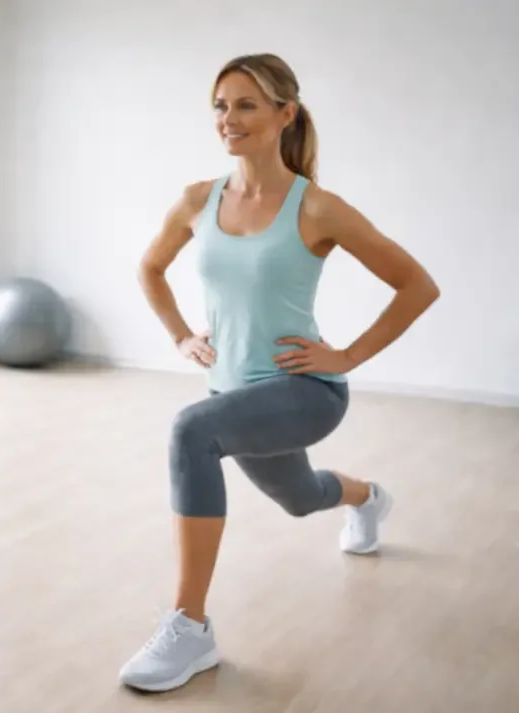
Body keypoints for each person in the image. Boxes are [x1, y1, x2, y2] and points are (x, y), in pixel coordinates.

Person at [120, 53, 440, 693]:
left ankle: (190, 627)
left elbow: (417, 285)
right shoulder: (198, 200)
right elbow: (150, 269)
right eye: (220, 106)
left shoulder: (316, 207)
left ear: (285, 114)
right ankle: (368, 498)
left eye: (246, 105)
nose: (228, 119)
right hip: (234, 393)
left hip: (304, 391)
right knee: (299, 498)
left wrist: (346, 356)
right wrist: (181, 335)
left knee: (190, 431)